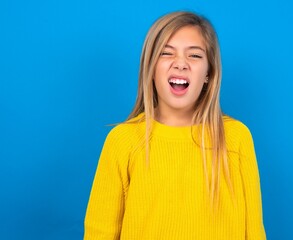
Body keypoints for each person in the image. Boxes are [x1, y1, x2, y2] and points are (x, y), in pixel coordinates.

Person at [84, 11, 266, 240]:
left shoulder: (236, 138)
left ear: (209, 73)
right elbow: (99, 233)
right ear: (150, 68)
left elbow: (255, 231)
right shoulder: (123, 141)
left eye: (195, 56)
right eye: (166, 53)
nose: (181, 64)